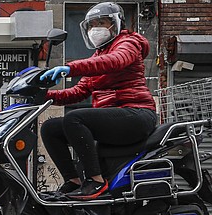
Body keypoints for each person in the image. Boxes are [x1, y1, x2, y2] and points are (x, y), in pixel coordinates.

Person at [39, 2, 157, 200]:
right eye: (92, 25)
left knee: (74, 118)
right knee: (50, 128)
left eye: (101, 23)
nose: (96, 29)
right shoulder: (98, 55)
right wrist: (43, 96)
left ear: (116, 24)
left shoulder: (128, 43)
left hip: (136, 114)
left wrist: (71, 68)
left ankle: (96, 181)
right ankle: (73, 181)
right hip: (114, 119)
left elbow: (115, 61)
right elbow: (78, 92)